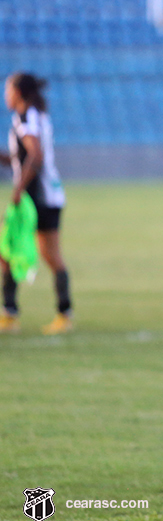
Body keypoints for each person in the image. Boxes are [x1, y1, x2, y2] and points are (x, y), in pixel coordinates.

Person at [0, 73, 73, 334]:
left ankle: (13, 314)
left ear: (19, 92)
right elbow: (24, 158)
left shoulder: (25, 117)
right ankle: (59, 313)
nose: (5, 94)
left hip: (36, 197)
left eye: (8, 88)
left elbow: (35, 155)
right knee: (17, 252)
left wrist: (18, 189)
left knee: (13, 251)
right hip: (49, 195)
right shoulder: (36, 116)